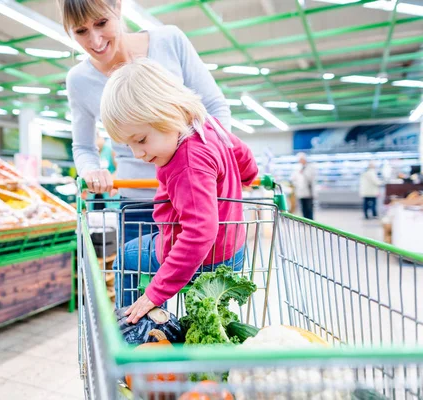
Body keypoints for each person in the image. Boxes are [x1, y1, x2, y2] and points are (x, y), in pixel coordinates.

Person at [60, 0, 232, 242]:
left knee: (199, 277)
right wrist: (91, 171)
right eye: (81, 31)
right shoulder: (78, 80)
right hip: (137, 204)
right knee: (135, 276)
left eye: (101, 23)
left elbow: (215, 108)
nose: (95, 41)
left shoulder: (169, 41)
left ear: (117, 7)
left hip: (194, 192)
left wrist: (209, 161)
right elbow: (84, 147)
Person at [100, 58, 258, 323]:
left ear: (170, 113)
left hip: (203, 259)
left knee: (124, 259)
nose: (138, 154)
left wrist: (154, 292)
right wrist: (249, 177)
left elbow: (199, 232)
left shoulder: (187, 162)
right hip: (233, 252)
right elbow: (242, 153)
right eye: (129, 146)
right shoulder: (208, 125)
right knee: (208, 323)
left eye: (141, 140)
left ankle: (129, 328)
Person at [291, 152, 317, 220]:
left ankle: (311, 220)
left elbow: (312, 178)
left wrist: (304, 172)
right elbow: (293, 178)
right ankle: (305, 220)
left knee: (309, 207)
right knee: (303, 207)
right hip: (300, 191)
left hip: (309, 191)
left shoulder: (310, 167)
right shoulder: (297, 167)